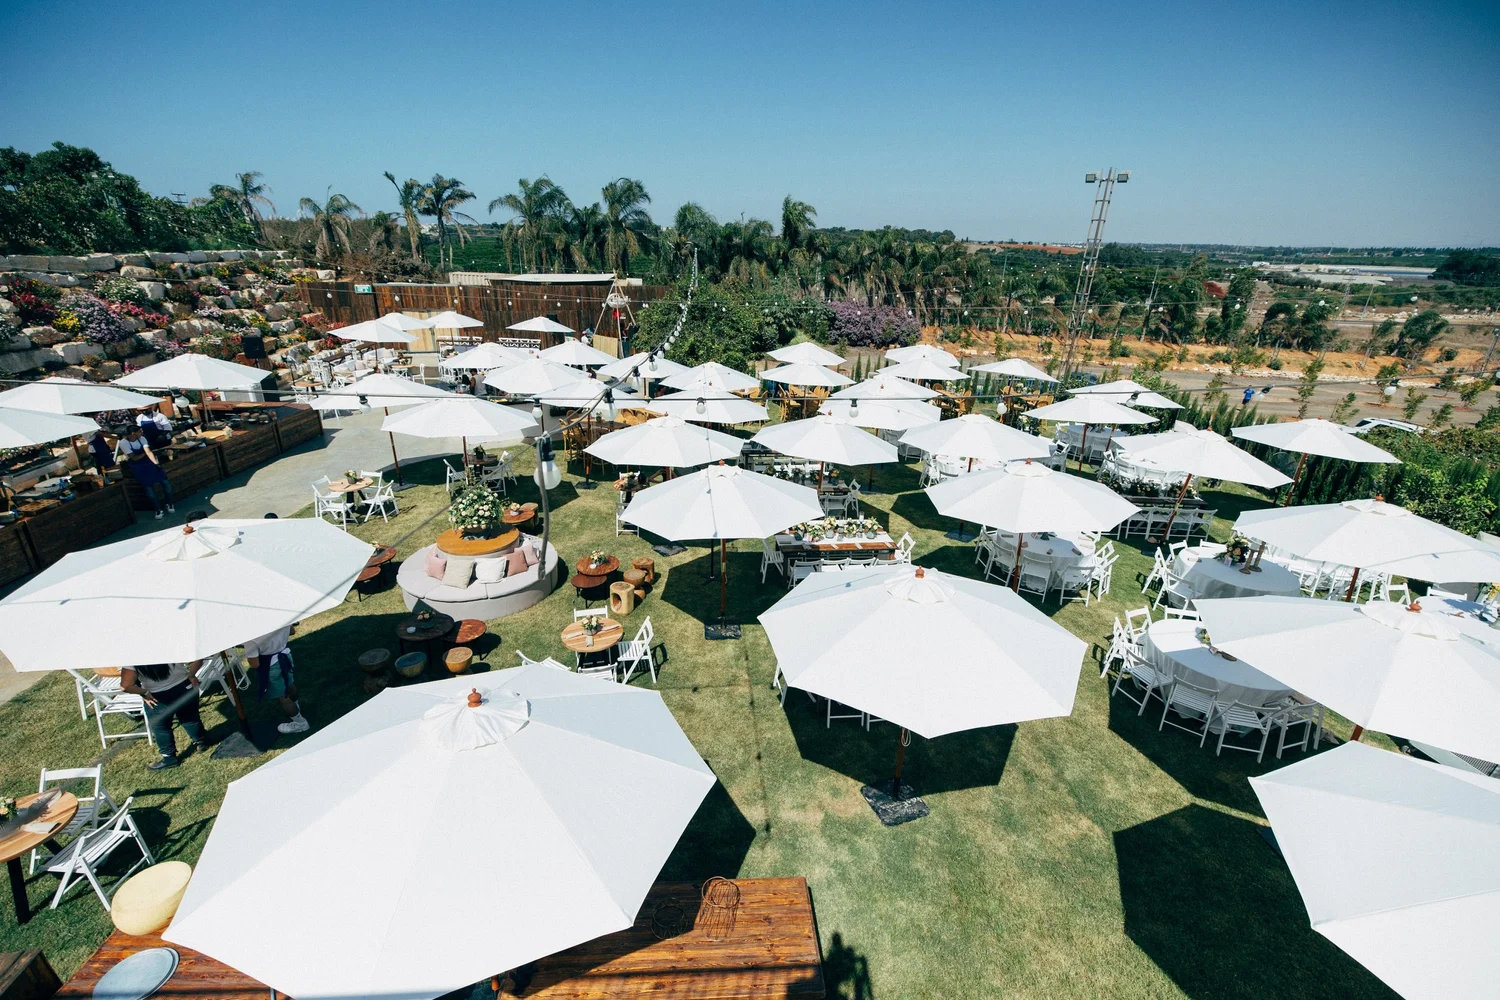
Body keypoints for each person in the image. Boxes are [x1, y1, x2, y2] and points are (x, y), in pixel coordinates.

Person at [121, 662, 209, 770]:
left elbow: (125, 686)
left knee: (161, 728)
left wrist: (144, 693)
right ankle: (202, 741)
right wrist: (191, 674)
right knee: (190, 718)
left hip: (156, 696)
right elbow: (198, 658)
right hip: (184, 686)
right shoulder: (169, 649)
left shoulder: (133, 658)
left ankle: (169, 758)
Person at [242, 626, 308, 734]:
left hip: (271, 666)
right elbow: (292, 631)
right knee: (290, 685)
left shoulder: (250, 635)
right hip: (286, 656)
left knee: (283, 697)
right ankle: (296, 707)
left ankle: (301, 723)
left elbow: (255, 664)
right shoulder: (278, 619)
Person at [115, 426, 175, 518]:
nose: (141, 433)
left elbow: (149, 452)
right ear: (133, 434)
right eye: (139, 431)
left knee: (166, 484)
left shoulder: (142, 438)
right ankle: (158, 509)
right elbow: (134, 457)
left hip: (149, 463)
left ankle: (169, 503)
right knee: (149, 489)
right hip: (138, 467)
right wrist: (145, 453)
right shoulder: (123, 443)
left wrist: (155, 464)